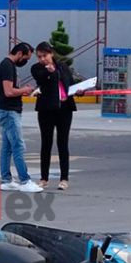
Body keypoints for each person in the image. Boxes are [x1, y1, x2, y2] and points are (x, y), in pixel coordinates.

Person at [31, 42, 84, 191]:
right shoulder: (37, 69)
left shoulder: (63, 67)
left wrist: (80, 91)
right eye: (39, 56)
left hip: (64, 109)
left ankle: (64, 178)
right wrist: (51, 72)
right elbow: (44, 81)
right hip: (46, 110)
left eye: (45, 55)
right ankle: (44, 178)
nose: (42, 59)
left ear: (51, 54)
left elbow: (70, 84)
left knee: (63, 143)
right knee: (46, 143)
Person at [0, 43, 43, 193]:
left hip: (5, 110)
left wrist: (22, 90)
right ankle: (25, 180)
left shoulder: (7, 65)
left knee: (7, 147)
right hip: (9, 112)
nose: (26, 61)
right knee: (18, 146)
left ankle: (7, 180)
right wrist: (25, 90)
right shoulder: (8, 66)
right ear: (20, 53)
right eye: (26, 58)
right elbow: (8, 92)